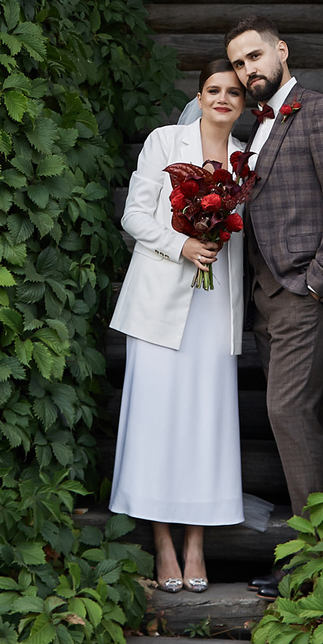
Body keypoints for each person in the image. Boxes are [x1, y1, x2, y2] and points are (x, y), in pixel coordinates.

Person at [225, 16, 323, 600]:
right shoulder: (255, 129)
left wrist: (317, 282)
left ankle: (315, 560)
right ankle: (319, 553)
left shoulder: (320, 110)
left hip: (304, 294)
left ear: (282, 50)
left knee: (287, 411)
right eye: (237, 64)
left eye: (255, 57)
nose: (247, 70)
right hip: (266, 298)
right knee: (295, 416)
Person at [109, 56, 250, 592]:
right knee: (157, 420)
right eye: (213, 89)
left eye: (233, 92)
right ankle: (164, 544)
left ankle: (197, 545)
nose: (222, 99)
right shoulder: (165, 141)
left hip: (215, 306)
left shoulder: (246, 157)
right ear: (199, 94)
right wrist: (183, 243)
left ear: (244, 104)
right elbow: (135, 216)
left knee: (204, 423)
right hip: (160, 299)